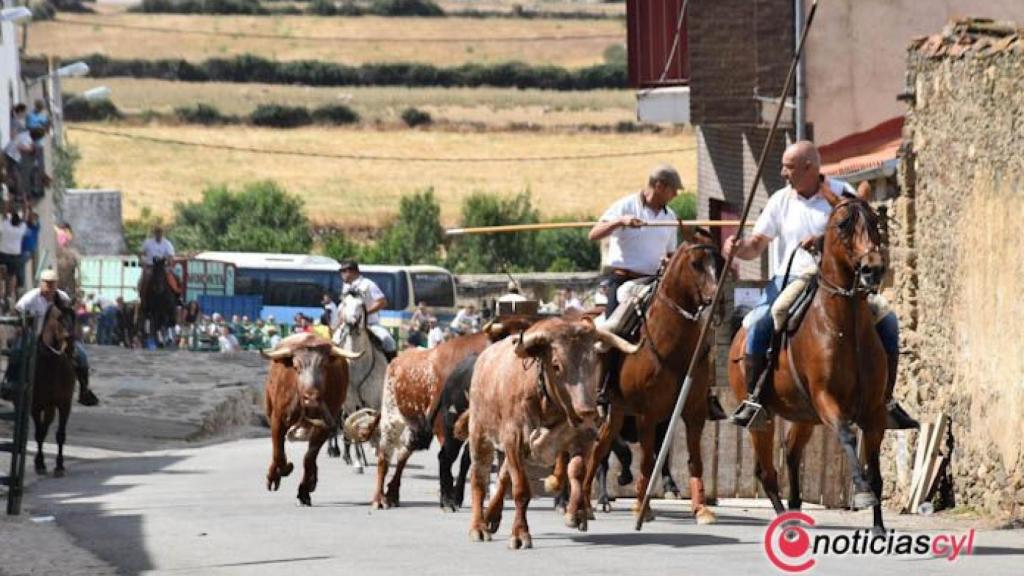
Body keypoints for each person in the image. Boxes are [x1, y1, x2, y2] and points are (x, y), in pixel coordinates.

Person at [724, 140, 917, 430]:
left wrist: (822, 241)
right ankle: (755, 400)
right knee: (761, 322)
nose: (783, 172)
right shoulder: (780, 200)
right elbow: (756, 246)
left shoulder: (842, 195)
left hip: (839, 282)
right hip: (791, 278)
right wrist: (738, 248)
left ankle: (886, 401)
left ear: (809, 167)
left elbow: (861, 236)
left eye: (789, 167)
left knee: (888, 322)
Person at [590, 164, 727, 421]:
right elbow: (593, 234)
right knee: (611, 328)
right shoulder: (625, 206)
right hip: (624, 281)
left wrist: (667, 261)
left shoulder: (670, 216)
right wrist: (620, 222)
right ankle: (602, 388)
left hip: (655, 282)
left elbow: (668, 252)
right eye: (673, 190)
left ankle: (704, 394)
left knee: (693, 329)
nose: (675, 195)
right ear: (659, 186)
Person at [10, 269, 99, 405]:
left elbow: (69, 317)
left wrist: (69, 332)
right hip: (34, 334)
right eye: (46, 283)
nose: (49, 287)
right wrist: (21, 327)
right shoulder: (31, 298)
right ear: (41, 283)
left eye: (52, 283)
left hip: (57, 336)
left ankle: (84, 390)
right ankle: (11, 384)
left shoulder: (62, 298)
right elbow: (17, 311)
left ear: (56, 284)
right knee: (17, 351)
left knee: (82, 356)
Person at [339, 260, 396, 360]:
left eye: (343, 271)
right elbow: (344, 304)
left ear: (352, 272)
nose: (341, 274)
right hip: (349, 325)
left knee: (389, 341)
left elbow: (382, 302)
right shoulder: (346, 287)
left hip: (370, 324)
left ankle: (392, 369)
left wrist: (364, 313)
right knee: (333, 342)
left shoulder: (368, 284)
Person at [139, 225, 176, 297]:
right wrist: (143, 262)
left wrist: (169, 262)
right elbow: (141, 253)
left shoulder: (167, 244)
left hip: (163, 266)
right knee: (145, 279)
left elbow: (171, 256)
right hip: (151, 266)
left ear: (163, 233)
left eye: (160, 232)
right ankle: (142, 296)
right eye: (157, 232)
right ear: (154, 233)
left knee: (173, 278)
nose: (159, 234)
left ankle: (176, 296)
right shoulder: (148, 243)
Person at [0, 203, 28, 300]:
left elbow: (4, 214)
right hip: (15, 256)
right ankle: (9, 296)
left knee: (3, 274)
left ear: (10, 220)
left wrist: (8, 202)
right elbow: (25, 217)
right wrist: (25, 204)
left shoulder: (6, 226)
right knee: (11, 276)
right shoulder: (21, 229)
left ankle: (3, 294)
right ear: (18, 223)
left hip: (3, 255)